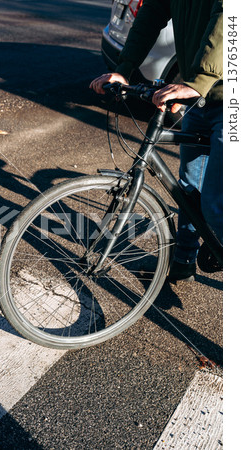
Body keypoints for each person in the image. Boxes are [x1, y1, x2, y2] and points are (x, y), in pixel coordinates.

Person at [90, 0, 223, 281]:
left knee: (215, 203)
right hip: (202, 100)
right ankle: (183, 261)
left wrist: (196, 82)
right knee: (188, 188)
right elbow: (151, 13)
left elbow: (226, 19)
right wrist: (124, 69)